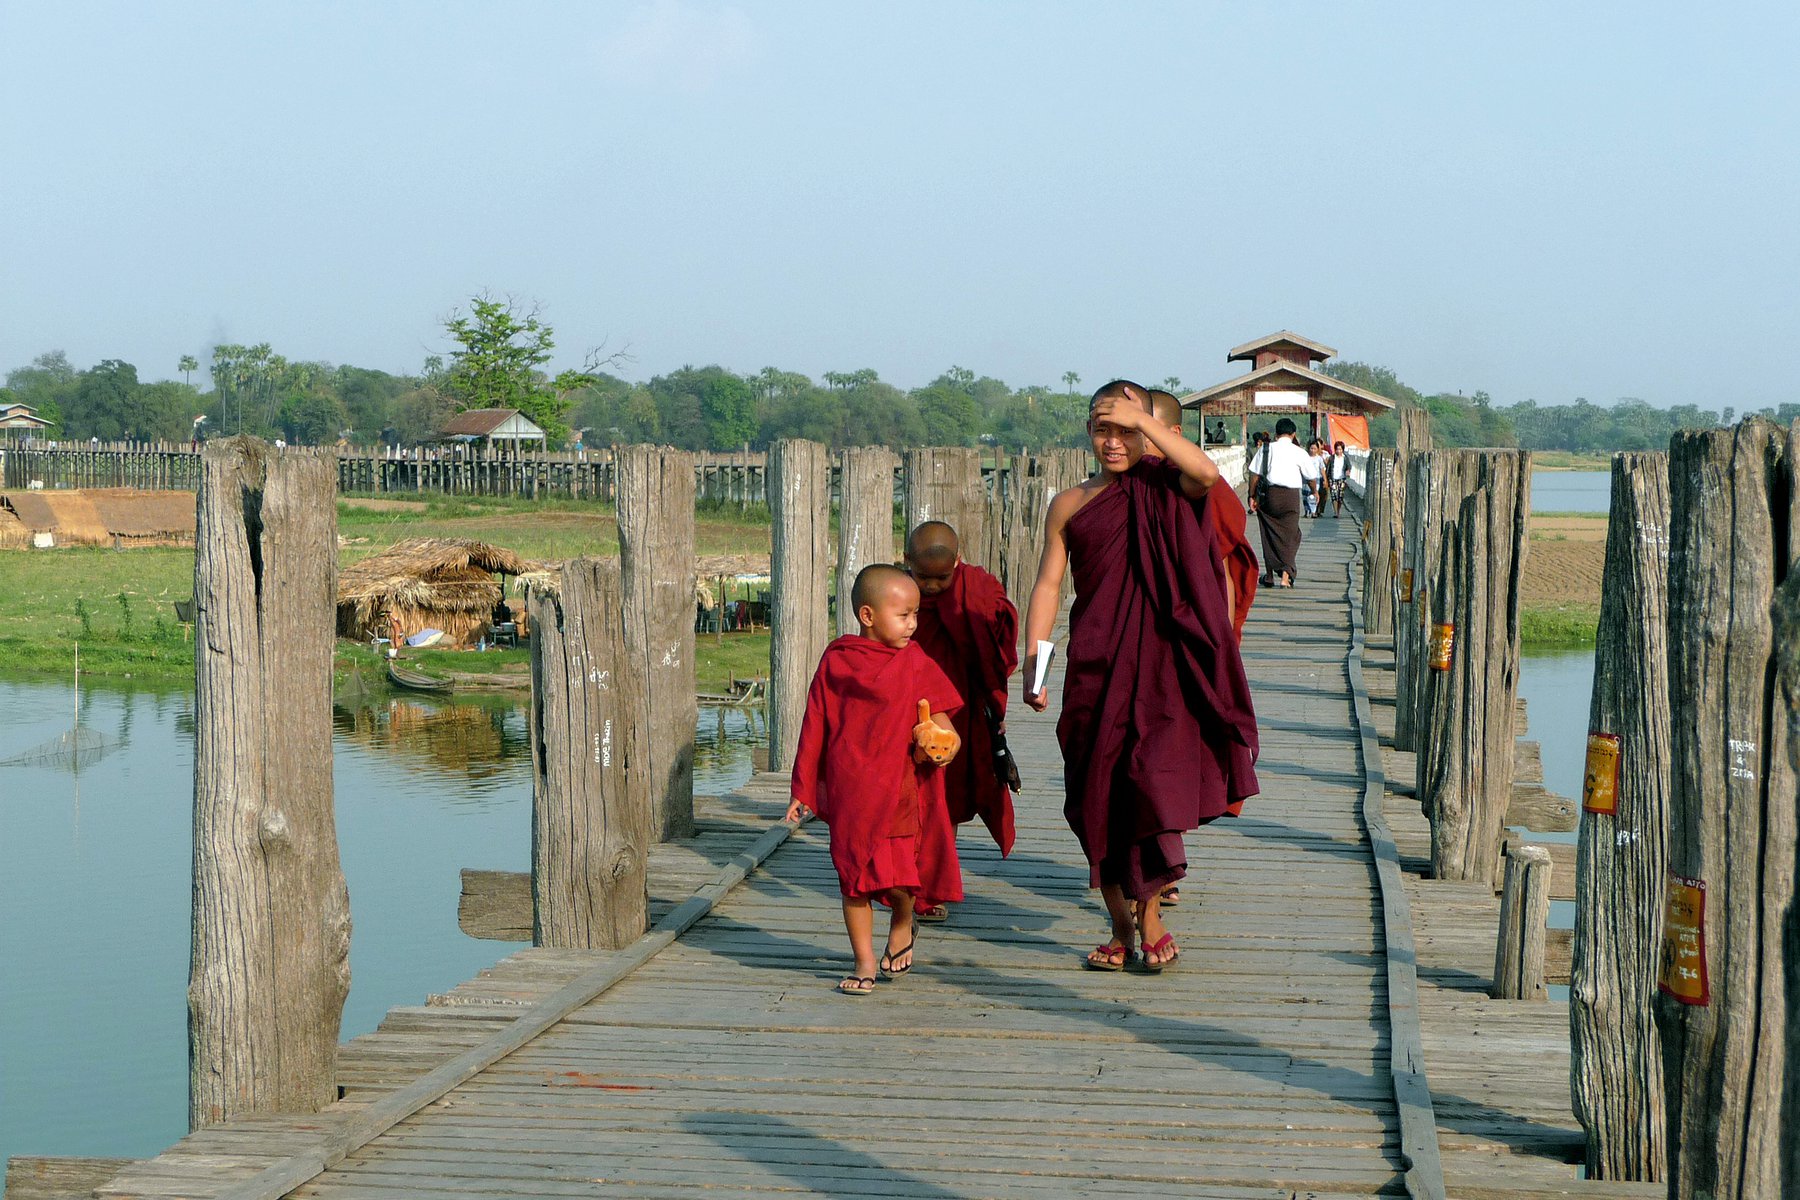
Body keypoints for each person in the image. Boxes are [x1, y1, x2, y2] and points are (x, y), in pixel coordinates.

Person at [1022, 380, 1259, 973]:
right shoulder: (1072, 504)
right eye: (1102, 429)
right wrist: (1036, 661)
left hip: (1160, 669)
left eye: (1124, 430)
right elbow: (1049, 584)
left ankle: (1149, 917)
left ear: (1146, 432)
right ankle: (1121, 924)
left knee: (1147, 785)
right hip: (1095, 666)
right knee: (1093, 795)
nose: (1112, 442)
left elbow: (1204, 474)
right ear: (1087, 433)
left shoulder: (1166, 487)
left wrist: (1145, 423)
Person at [786, 563, 966, 997]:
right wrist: (803, 789)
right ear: (868, 616)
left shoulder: (914, 661)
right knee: (854, 879)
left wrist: (942, 740)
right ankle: (864, 961)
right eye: (903, 615)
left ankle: (904, 918)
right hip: (853, 788)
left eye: (916, 614)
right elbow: (816, 725)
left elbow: (939, 716)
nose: (913, 624)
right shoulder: (838, 659)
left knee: (900, 878)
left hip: (899, 787)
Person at [905, 522, 1020, 920]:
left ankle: (930, 884)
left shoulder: (978, 589)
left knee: (946, 798)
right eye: (924, 578)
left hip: (962, 706)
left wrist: (995, 704)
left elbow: (998, 640)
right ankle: (914, 882)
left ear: (959, 560)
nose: (933, 587)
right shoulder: (898, 594)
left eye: (942, 577)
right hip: (911, 705)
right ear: (907, 564)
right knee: (915, 796)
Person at [1251, 417, 1313, 588]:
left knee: (1268, 533)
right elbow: (1310, 477)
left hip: (1270, 496)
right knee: (1292, 535)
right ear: (1293, 434)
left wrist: (1251, 496)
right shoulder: (1299, 452)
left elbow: (1254, 475)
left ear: (1276, 434)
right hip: (1291, 498)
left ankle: (1270, 575)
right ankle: (1285, 577)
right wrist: (1315, 492)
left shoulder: (1266, 449)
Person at [1329, 440, 1350, 517]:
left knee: (1340, 496)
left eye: (1340, 449)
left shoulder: (1345, 458)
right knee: (1334, 495)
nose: (1339, 451)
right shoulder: (1332, 458)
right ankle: (1335, 512)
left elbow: (1348, 466)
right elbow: (1328, 468)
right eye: (1337, 449)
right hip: (1333, 478)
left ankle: (1338, 510)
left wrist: (1348, 471)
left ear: (1343, 450)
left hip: (1342, 479)